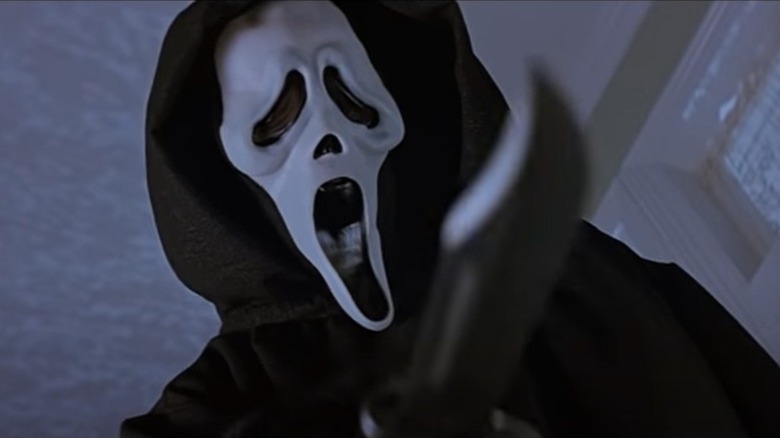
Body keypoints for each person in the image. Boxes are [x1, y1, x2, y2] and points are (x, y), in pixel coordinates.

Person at [121, 1, 780, 437]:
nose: (328, 136)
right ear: (227, 178)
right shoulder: (224, 396)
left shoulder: (575, 281)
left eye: (351, 94)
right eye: (274, 121)